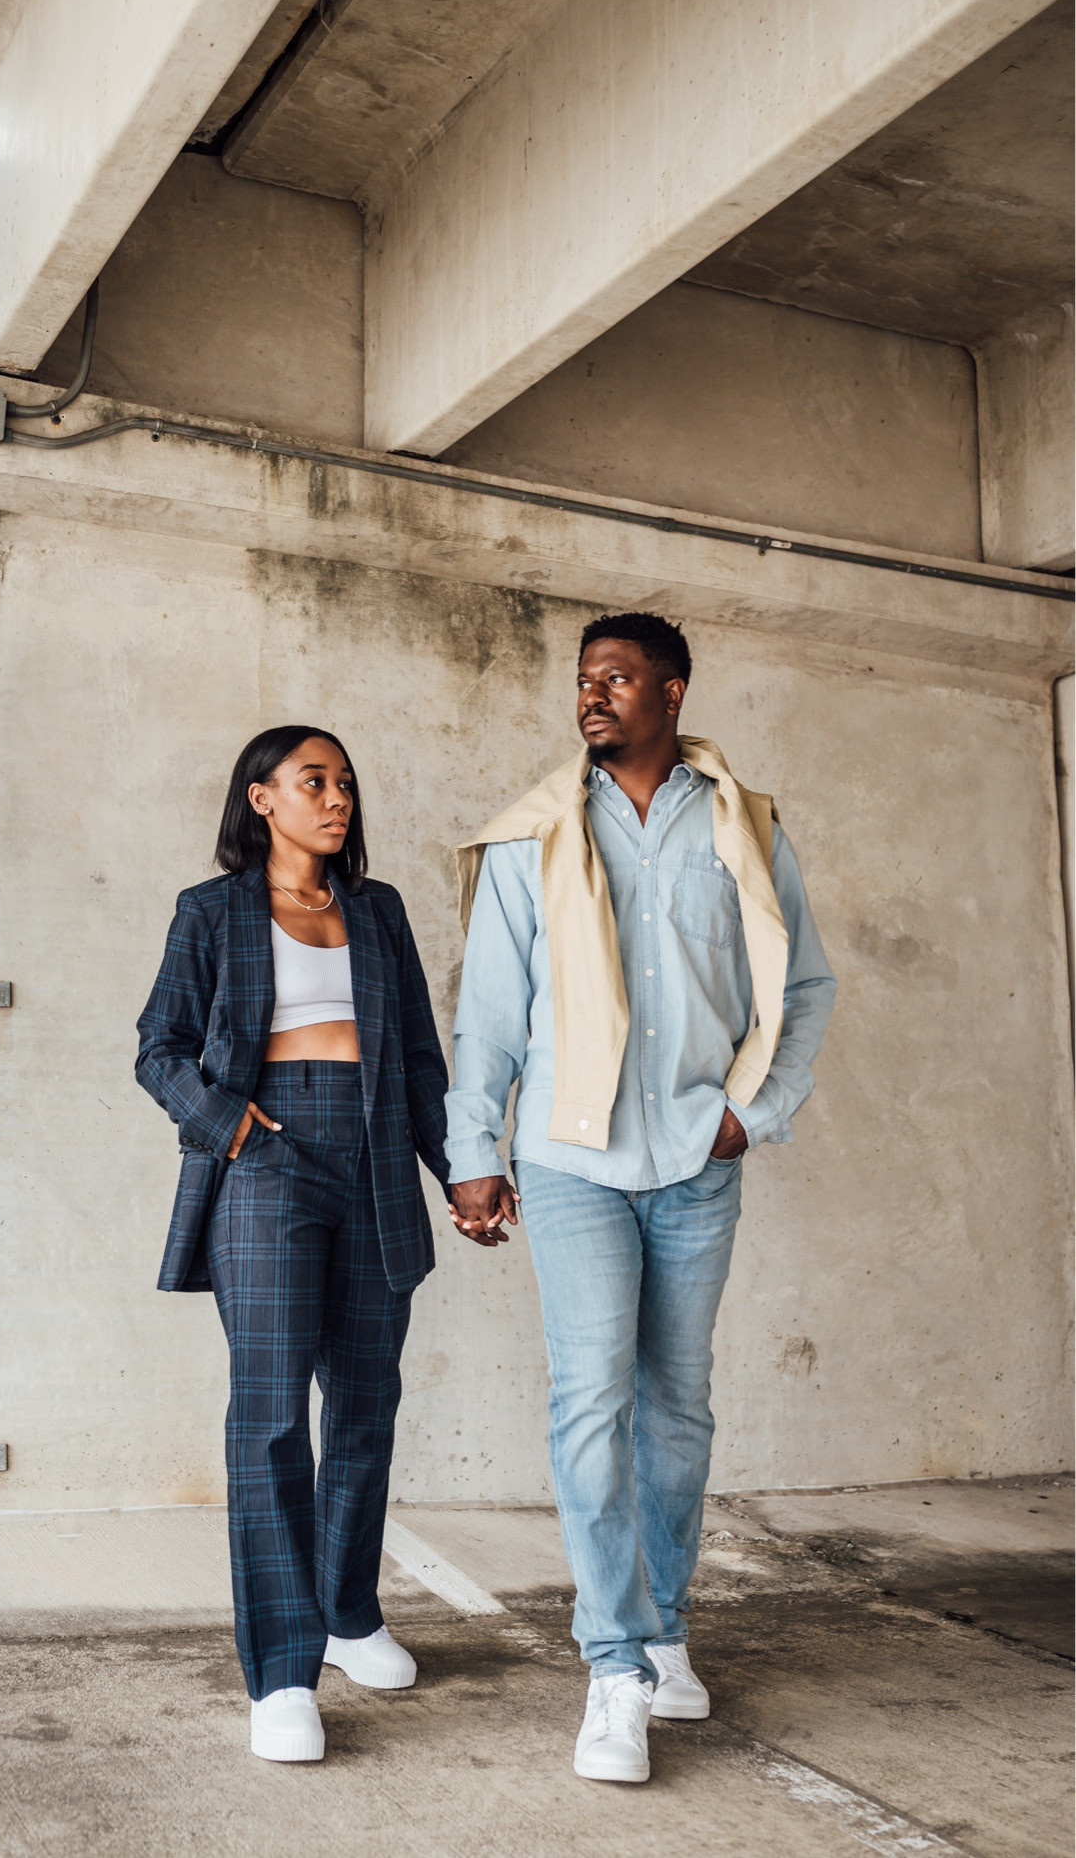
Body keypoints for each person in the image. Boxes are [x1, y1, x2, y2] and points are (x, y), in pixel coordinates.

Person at [445, 613, 836, 1786]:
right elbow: (488, 1007)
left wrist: (747, 1114)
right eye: (582, 680)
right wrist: (474, 1147)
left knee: (676, 1410)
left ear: (671, 690)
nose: (592, 696)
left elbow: (802, 986)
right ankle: (611, 1666)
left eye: (615, 678)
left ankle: (663, 1630)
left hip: (693, 1155)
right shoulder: (534, 834)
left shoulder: (744, 828)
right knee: (587, 1401)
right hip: (570, 1160)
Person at [135, 725, 452, 1763]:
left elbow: (414, 1054)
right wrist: (230, 1126)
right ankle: (280, 1672)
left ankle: (347, 1612)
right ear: (261, 798)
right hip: (265, 1155)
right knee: (272, 1416)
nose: (336, 798)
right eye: (313, 781)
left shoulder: (376, 910)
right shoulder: (211, 912)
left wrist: (463, 1171)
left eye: (346, 783)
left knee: (365, 1404)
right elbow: (160, 1049)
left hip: (372, 1153)